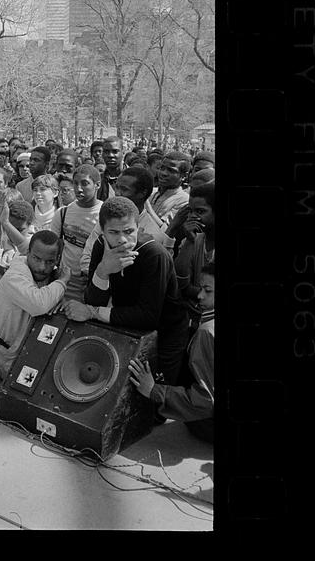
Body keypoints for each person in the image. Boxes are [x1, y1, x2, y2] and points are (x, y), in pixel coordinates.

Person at [65, 197, 189, 386]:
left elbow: (148, 316)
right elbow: (93, 299)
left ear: (138, 227)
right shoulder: (100, 246)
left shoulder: (154, 255)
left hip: (165, 333)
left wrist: (91, 312)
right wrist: (103, 271)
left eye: (129, 231)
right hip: (128, 325)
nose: (122, 239)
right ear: (102, 230)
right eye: (113, 232)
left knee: (154, 395)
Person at [128, 262, 215, 443]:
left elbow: (206, 401)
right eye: (201, 288)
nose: (199, 295)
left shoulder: (207, 331)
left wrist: (154, 390)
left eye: (208, 290)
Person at [0, 230, 70, 379]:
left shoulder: (50, 275)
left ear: (58, 260)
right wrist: (62, 282)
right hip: (7, 354)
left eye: (49, 262)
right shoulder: (15, 275)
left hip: (30, 349)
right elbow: (39, 304)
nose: (42, 267)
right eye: (36, 258)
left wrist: (58, 299)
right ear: (28, 254)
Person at [167, 181, 215, 334]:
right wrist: (189, 240)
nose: (193, 217)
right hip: (193, 318)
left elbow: (188, 289)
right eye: (191, 211)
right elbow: (180, 283)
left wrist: (190, 291)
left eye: (200, 212)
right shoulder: (196, 239)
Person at [50, 164, 102, 302]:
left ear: (97, 185)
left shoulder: (105, 215)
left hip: (91, 285)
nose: (79, 189)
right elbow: (54, 247)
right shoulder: (63, 213)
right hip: (64, 282)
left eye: (85, 184)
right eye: (75, 183)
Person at [148, 151, 192, 225]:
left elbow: (167, 230)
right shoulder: (152, 192)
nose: (163, 173)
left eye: (171, 170)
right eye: (162, 168)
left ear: (184, 176)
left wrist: (147, 207)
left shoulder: (184, 201)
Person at [98, 136, 123, 201]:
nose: (110, 155)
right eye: (106, 151)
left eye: (115, 151)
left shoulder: (133, 178)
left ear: (122, 152)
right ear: (102, 154)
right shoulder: (98, 180)